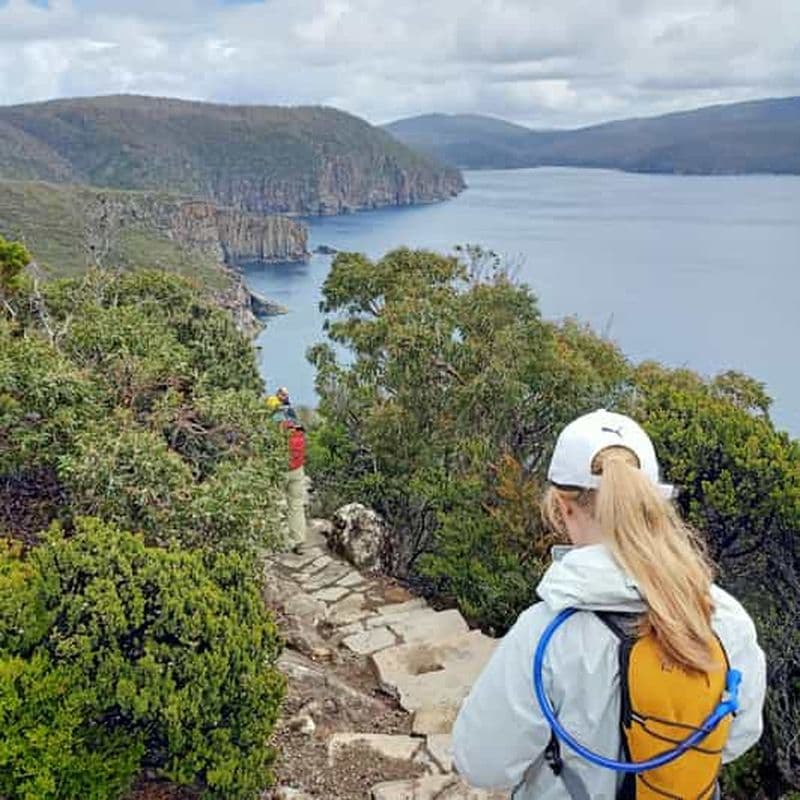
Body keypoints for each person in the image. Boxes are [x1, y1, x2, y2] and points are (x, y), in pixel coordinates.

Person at [452, 409, 766, 800]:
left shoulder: (546, 632)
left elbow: (482, 763)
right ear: (656, 503)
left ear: (563, 507)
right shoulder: (722, 618)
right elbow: (739, 736)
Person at [266, 391, 307, 553]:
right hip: (297, 467)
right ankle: (299, 542)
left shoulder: (274, 422)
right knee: (296, 505)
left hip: (280, 468)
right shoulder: (293, 419)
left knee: (275, 505)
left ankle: (277, 541)